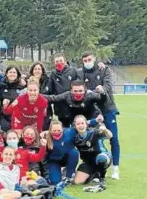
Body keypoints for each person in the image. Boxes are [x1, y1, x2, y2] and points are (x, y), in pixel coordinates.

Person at [77, 51, 120, 180]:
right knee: (92, 139)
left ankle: (116, 168)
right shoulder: (80, 73)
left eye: (89, 59)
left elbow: (108, 85)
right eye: (85, 60)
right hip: (91, 111)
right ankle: (96, 168)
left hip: (107, 108)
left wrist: (102, 89)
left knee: (113, 138)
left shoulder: (104, 69)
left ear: (94, 59)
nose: (87, 62)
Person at [42, 80, 107, 127]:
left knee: (97, 139)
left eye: (80, 91)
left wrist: (102, 92)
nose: (78, 93)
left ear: (85, 90)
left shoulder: (89, 95)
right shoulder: (67, 95)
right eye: (75, 91)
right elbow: (53, 98)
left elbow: (102, 99)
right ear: (71, 90)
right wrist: (37, 95)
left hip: (92, 120)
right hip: (75, 123)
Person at [72, 115, 113, 189]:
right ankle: (94, 174)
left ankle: (102, 178)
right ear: (75, 126)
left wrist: (105, 130)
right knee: (77, 182)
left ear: (86, 124)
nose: (81, 126)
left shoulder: (93, 132)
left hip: (103, 156)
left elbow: (110, 136)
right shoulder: (74, 137)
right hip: (88, 162)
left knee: (101, 160)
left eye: (82, 123)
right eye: (78, 124)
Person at [47, 53, 79, 126]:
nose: (59, 63)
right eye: (57, 61)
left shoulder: (73, 71)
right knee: (64, 130)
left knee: (75, 127)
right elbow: (49, 90)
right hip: (60, 108)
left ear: (65, 61)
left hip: (73, 106)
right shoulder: (53, 74)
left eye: (60, 61)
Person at [44, 120, 79, 185]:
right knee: (55, 182)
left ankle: (69, 176)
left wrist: (96, 121)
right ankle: (60, 172)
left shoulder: (69, 132)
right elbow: (43, 157)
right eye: (54, 131)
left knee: (74, 152)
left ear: (62, 129)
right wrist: (45, 172)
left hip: (67, 158)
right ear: (50, 130)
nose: (57, 132)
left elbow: (81, 126)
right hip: (54, 161)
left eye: (59, 130)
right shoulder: (46, 138)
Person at [0, 65, 26, 132]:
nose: (12, 74)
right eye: (10, 72)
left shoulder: (23, 86)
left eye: (14, 72)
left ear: (17, 74)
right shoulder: (1, 85)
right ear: (7, 74)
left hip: (18, 118)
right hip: (4, 118)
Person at [29, 61, 51, 130]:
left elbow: (51, 96)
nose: (37, 71)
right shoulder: (27, 81)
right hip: (31, 113)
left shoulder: (48, 81)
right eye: (35, 69)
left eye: (39, 69)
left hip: (46, 113)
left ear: (42, 71)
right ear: (32, 71)